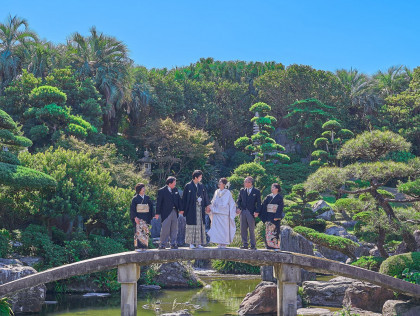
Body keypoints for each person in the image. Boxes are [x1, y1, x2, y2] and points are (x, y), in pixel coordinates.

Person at [182, 170, 210, 249]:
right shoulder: (188, 186)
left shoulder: (201, 186)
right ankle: (191, 243)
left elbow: (205, 196)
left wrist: (207, 205)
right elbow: (184, 198)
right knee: (191, 226)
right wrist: (183, 209)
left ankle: (199, 243)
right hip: (191, 209)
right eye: (200, 177)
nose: (201, 178)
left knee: (200, 225)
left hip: (200, 209)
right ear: (195, 177)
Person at [207, 178, 236, 248]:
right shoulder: (216, 191)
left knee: (224, 229)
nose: (219, 183)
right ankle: (219, 243)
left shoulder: (227, 192)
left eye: (220, 182)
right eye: (219, 182)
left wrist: (231, 213)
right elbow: (213, 201)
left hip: (224, 213)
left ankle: (224, 243)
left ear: (224, 184)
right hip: (216, 213)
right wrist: (210, 207)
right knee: (218, 229)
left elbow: (228, 203)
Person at [155, 176, 182, 249]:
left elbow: (179, 200)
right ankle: (162, 244)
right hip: (166, 212)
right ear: (170, 183)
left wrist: (181, 209)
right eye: (174, 183)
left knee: (174, 228)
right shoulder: (162, 191)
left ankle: (173, 243)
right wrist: (157, 213)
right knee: (165, 229)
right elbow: (159, 203)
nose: (175, 184)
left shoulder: (175, 189)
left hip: (174, 211)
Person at [236, 176, 261, 250]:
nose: (245, 183)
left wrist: (257, 211)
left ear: (250, 183)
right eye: (245, 182)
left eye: (246, 182)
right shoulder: (242, 190)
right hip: (243, 211)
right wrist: (239, 208)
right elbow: (238, 201)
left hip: (251, 212)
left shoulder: (256, 191)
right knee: (243, 229)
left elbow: (259, 203)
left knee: (251, 229)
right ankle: (245, 244)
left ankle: (253, 245)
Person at [259, 183, 284, 250]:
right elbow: (264, 206)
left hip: (275, 216)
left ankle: (275, 246)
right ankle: (268, 246)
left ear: (277, 189)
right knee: (268, 231)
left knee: (275, 231)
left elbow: (280, 207)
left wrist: (277, 216)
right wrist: (263, 215)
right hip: (268, 216)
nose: (271, 189)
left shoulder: (280, 197)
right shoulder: (268, 197)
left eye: (273, 187)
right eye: (272, 187)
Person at [130, 183, 154, 251]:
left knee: (145, 232)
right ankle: (138, 247)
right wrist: (135, 217)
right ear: (139, 190)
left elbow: (151, 207)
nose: (144, 189)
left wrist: (152, 215)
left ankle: (145, 246)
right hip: (138, 217)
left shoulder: (147, 198)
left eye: (144, 188)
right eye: (143, 188)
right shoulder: (135, 199)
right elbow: (132, 209)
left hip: (146, 216)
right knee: (138, 232)